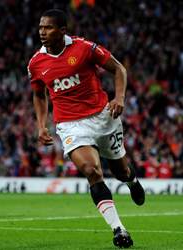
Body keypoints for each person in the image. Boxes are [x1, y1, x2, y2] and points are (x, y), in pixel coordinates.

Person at [28, 9, 145, 248]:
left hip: (104, 116)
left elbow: (119, 69)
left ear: (62, 30)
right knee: (92, 170)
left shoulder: (84, 48)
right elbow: (39, 95)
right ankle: (118, 229)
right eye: (40, 27)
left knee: (121, 171)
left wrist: (119, 98)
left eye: (48, 27)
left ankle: (132, 181)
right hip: (70, 124)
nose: (42, 32)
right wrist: (41, 124)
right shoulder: (36, 63)